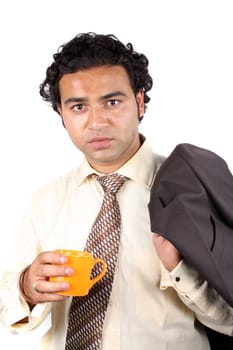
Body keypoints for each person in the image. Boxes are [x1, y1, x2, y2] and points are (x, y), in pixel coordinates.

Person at [0, 32, 232, 350]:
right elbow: (7, 308)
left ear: (138, 101)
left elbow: (230, 319)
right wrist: (27, 287)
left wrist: (179, 270)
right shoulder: (46, 201)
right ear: (61, 114)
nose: (97, 122)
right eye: (79, 106)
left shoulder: (193, 189)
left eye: (112, 102)